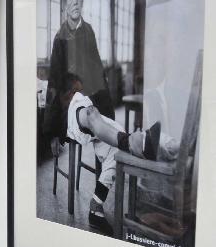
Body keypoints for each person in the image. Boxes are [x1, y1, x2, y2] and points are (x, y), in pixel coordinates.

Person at [65, 76, 170, 235]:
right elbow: (90, 117)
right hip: (78, 114)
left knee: (116, 148)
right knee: (97, 120)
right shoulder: (75, 102)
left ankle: (96, 206)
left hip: (90, 119)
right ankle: (137, 143)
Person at [44, 0, 114, 142]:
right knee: (95, 119)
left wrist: (109, 113)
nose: (75, 0)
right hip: (71, 104)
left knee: (110, 128)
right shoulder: (60, 37)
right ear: (66, 3)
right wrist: (53, 131)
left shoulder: (89, 31)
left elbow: (98, 73)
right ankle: (133, 142)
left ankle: (142, 143)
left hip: (91, 99)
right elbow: (54, 83)